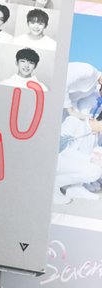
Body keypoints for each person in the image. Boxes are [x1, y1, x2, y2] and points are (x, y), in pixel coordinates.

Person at [53, 62, 102, 203]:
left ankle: (74, 187)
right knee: (93, 168)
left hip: (73, 115)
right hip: (58, 105)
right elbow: (62, 77)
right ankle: (53, 185)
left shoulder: (92, 91)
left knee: (93, 163)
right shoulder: (88, 71)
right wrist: (70, 110)